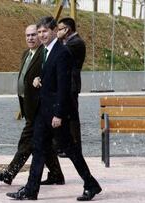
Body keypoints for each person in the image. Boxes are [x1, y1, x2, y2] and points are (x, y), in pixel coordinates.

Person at [6, 16, 101, 201]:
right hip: (43, 111)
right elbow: (50, 74)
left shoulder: (62, 52)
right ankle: (31, 189)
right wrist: (38, 79)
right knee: (39, 148)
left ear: (54, 30)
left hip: (56, 113)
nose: (41, 35)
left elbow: (65, 86)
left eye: (45, 31)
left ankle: (91, 183)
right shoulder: (46, 52)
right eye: (39, 32)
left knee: (70, 150)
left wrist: (59, 114)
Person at [0, 24, 65, 186]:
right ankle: (56, 174)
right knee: (44, 143)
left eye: (34, 35)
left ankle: (9, 174)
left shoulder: (44, 54)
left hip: (39, 107)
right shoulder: (26, 53)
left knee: (26, 142)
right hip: (28, 105)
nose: (31, 38)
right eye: (28, 35)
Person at [56, 17, 85, 155]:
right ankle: (64, 146)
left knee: (72, 117)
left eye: (60, 29)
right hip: (66, 84)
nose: (58, 31)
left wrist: (57, 39)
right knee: (65, 116)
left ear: (67, 29)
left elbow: (60, 53)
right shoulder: (68, 42)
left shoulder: (76, 42)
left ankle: (74, 147)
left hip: (71, 85)